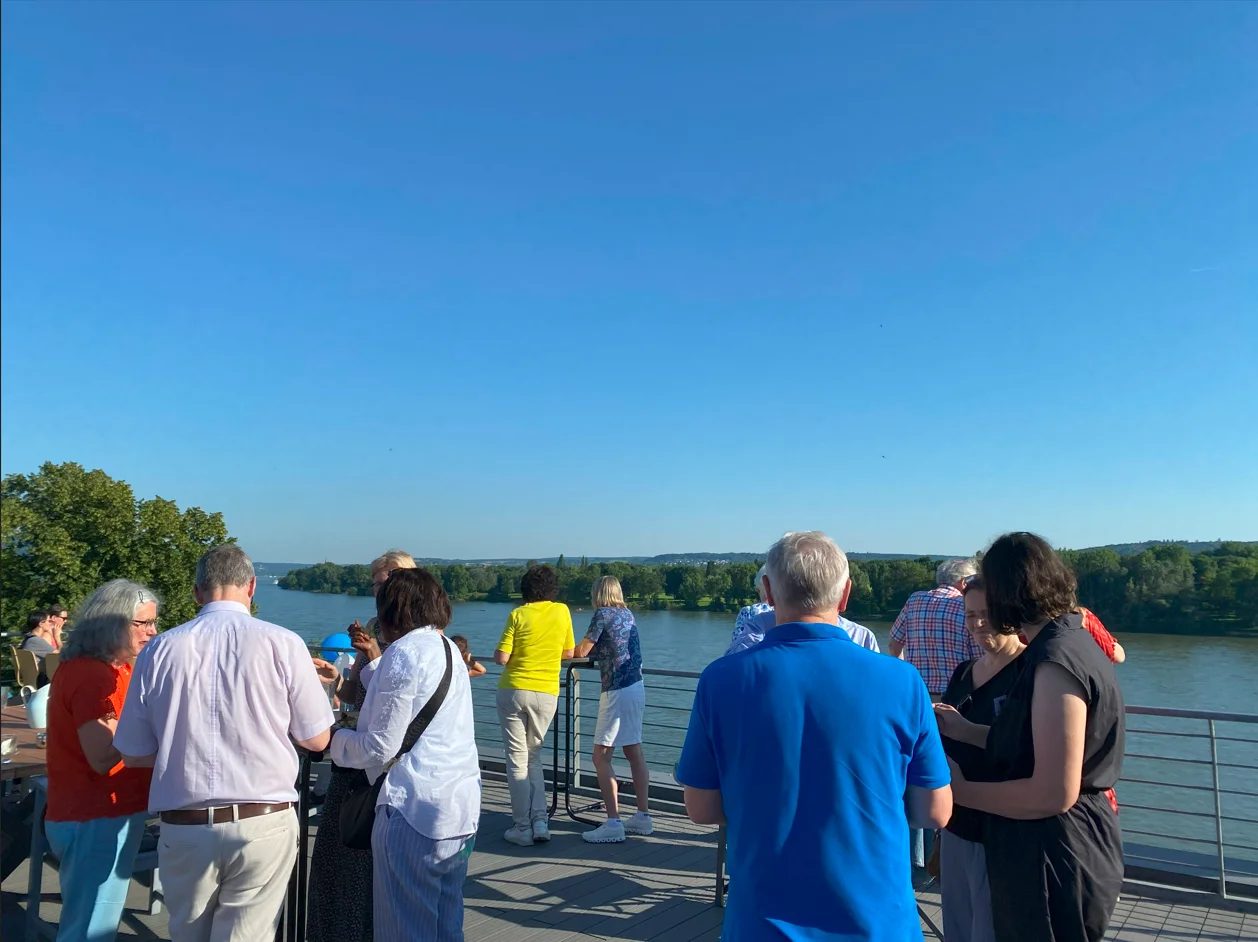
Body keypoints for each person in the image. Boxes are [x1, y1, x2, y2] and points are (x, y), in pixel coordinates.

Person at [677, 531, 953, 940]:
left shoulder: (721, 680)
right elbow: (935, 812)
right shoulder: (902, 681)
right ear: (845, 596)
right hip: (878, 923)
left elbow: (701, 809)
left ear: (768, 591)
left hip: (761, 924)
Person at [115, 544, 334, 942]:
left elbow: (133, 753)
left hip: (185, 825)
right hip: (262, 820)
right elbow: (317, 739)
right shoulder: (284, 643)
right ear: (252, 587)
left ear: (197, 591)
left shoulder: (158, 650)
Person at [946, 532, 1125, 942]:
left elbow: (1051, 793)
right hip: (1060, 842)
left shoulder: (1054, 661)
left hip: (1055, 850)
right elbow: (1033, 742)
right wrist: (969, 730)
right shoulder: (1071, 639)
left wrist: (959, 790)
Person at [330, 568, 480, 942]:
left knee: (402, 930)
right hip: (458, 808)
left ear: (392, 610)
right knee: (447, 925)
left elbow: (380, 746)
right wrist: (374, 660)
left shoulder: (403, 654)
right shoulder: (446, 648)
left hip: (413, 811)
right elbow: (409, 694)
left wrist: (332, 740)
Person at [307, 549, 415, 942]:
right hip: (353, 748)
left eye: (385, 581)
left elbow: (395, 708)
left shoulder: (416, 640)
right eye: (376, 583)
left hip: (378, 761)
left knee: (364, 858)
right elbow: (355, 694)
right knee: (335, 853)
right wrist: (343, 674)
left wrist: (371, 653)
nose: (380, 589)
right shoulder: (375, 625)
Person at [44, 580, 158, 942]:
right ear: (113, 624)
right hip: (97, 815)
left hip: (101, 813)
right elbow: (102, 757)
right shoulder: (93, 675)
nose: (153, 631)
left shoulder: (115, 667)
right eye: (143, 623)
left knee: (91, 922)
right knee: (91, 928)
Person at [932, 576, 1024, 942]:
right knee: (956, 927)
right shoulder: (965, 671)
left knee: (989, 930)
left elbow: (1028, 749)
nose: (978, 624)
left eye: (986, 614)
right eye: (970, 616)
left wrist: (964, 729)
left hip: (1002, 830)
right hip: (956, 825)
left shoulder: (1032, 673)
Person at [494, 564, 575, 846]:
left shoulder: (518, 614)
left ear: (525, 589)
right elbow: (568, 652)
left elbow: (502, 658)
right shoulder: (562, 611)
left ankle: (521, 827)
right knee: (534, 757)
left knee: (517, 761)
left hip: (514, 690)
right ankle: (540, 821)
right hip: (546, 693)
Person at [572, 576, 652, 843]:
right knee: (634, 751)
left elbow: (582, 649)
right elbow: (610, 648)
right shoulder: (627, 614)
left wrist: (555, 652)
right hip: (636, 686)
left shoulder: (602, 614)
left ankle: (613, 822)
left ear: (598, 594)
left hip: (616, 690)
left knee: (600, 756)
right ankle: (642, 816)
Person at [725, 564, 881, 656]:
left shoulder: (751, 617)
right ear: (844, 595)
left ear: (767, 589)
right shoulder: (863, 636)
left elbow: (733, 664)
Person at [890, 558, 982, 695]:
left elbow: (894, 645)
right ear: (963, 582)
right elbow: (979, 657)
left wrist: (906, 677)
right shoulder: (967, 607)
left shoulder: (914, 600)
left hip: (918, 694)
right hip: (957, 697)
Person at [21, 610, 57, 685]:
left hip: (34, 678)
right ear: (41, 624)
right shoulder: (36, 641)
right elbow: (59, 655)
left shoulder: (28, 638)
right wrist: (57, 636)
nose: (50, 623)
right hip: (42, 680)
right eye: (48, 621)